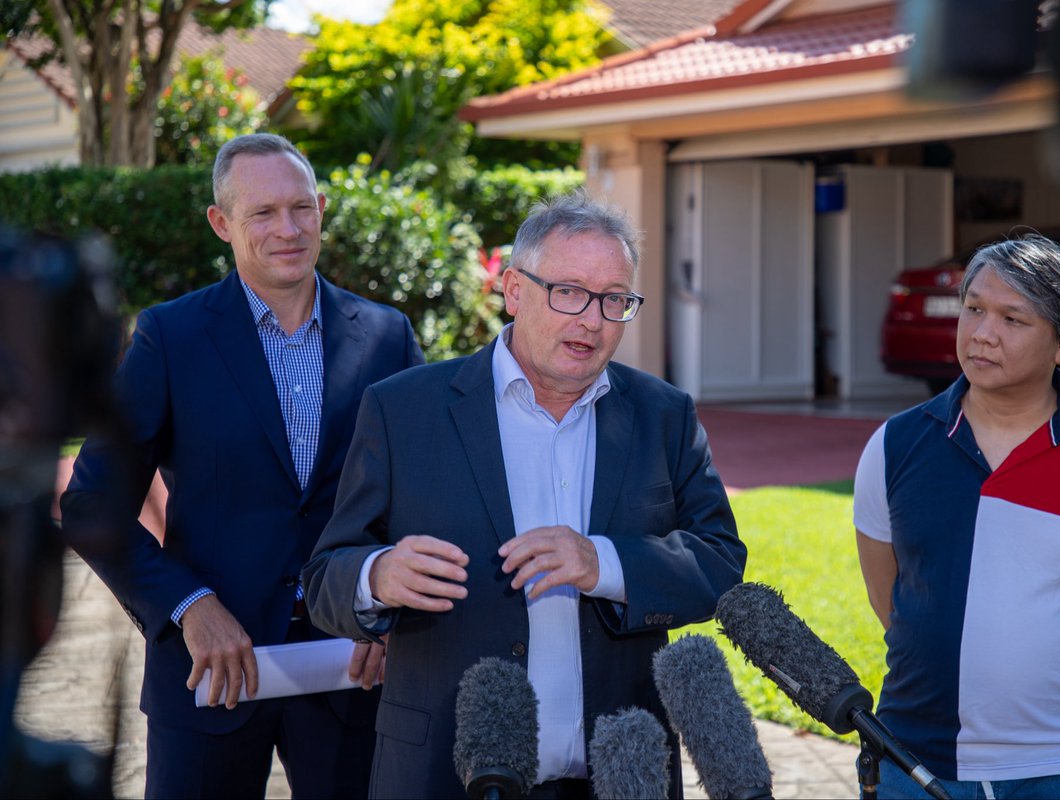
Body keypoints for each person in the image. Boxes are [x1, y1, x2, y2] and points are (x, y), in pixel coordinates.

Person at [302, 191, 746, 799]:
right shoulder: (404, 410)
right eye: (568, 291)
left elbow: (720, 562)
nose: (592, 319)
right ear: (513, 291)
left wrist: (605, 562)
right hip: (446, 775)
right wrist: (376, 576)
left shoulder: (663, 415)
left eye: (614, 300)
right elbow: (325, 576)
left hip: (617, 777)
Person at [60, 133, 424, 799]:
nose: (287, 229)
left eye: (301, 208)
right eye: (262, 213)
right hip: (209, 672)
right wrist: (188, 606)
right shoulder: (169, 337)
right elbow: (91, 504)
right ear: (221, 223)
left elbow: (426, 495)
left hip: (356, 671)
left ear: (321, 208)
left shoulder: (387, 336)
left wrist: (391, 611)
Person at [853, 233, 1060, 799]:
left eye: (1012, 318)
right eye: (974, 308)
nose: (982, 333)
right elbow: (894, 601)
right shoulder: (894, 446)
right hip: (913, 761)